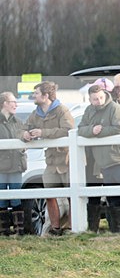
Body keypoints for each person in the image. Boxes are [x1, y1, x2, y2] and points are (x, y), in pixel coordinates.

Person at [78, 79, 120, 233]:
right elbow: (80, 129)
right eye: (95, 99)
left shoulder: (115, 109)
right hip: (104, 162)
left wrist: (99, 132)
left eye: (101, 97)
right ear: (90, 99)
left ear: (105, 94)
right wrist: (92, 130)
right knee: (114, 197)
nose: (99, 101)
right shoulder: (89, 111)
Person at [22, 81, 75, 235]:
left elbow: (68, 130)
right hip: (51, 162)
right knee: (49, 194)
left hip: (67, 160)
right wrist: (24, 134)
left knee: (72, 195)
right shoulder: (36, 113)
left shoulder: (62, 110)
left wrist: (43, 133)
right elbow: (24, 127)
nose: (34, 96)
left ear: (45, 96)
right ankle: (55, 228)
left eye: (36, 93)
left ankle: (71, 228)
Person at [0, 92, 27, 235]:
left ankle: (19, 231)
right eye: (13, 102)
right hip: (1, 166)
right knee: (1, 199)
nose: (16, 105)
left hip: (16, 165)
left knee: (16, 198)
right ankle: (3, 231)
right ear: (5, 103)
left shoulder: (18, 122)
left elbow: (23, 137)